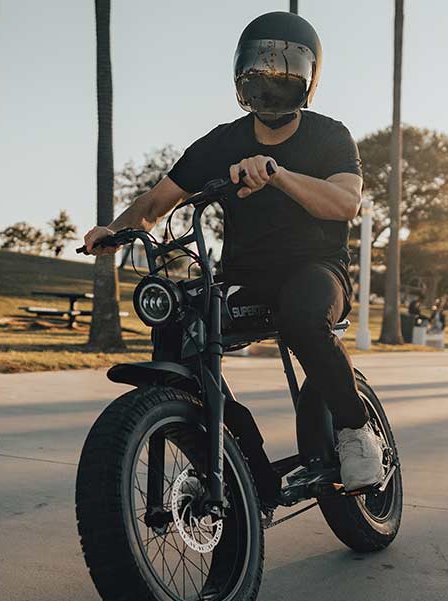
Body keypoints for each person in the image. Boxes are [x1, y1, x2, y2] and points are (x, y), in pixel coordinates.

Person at [82, 12, 383, 490]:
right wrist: (113, 230)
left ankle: (354, 430)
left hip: (317, 270)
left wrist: (278, 173)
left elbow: (345, 203)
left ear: (309, 77)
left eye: (284, 67)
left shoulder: (329, 135)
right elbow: (156, 203)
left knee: (302, 317)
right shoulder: (220, 142)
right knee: (177, 319)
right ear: (240, 72)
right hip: (245, 277)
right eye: (258, 66)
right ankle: (227, 451)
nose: (268, 77)